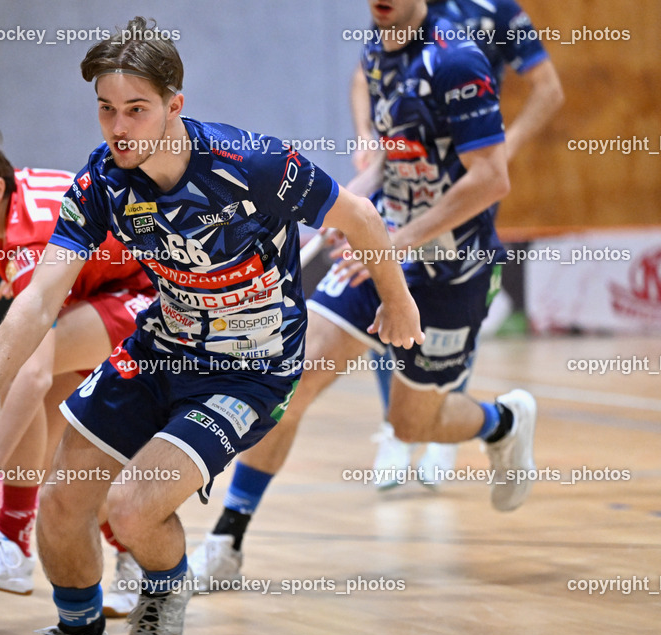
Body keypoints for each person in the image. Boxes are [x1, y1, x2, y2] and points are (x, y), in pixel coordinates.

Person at [0, 16, 422, 635]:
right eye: (106, 109)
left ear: (174, 105)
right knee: (63, 501)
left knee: (132, 506)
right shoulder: (102, 183)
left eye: (136, 109)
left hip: (250, 371)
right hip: (161, 345)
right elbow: (38, 303)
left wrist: (398, 300)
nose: (119, 127)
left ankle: (163, 589)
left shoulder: (254, 164)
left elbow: (359, 217)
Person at [190, 0, 540, 585]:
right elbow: (391, 162)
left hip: (451, 271)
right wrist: (349, 208)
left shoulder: (457, 60)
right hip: (382, 250)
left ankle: (501, 422)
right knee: (292, 382)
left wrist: (397, 242)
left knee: (412, 425)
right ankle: (227, 540)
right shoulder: (378, 51)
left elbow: (491, 177)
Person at [0, 123, 156, 616]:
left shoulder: (30, 236)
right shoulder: (17, 202)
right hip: (112, 290)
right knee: (60, 456)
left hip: (155, 297)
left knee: (22, 366)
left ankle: (10, 544)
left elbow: (33, 371)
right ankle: (131, 560)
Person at [352, 0, 564, 488]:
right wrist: (367, 134)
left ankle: (441, 420)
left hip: (461, 186)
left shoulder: (495, 11)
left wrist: (500, 151)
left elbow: (549, 89)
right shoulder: (397, 12)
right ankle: (397, 427)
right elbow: (365, 73)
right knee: (385, 294)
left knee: (450, 293)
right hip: (404, 180)